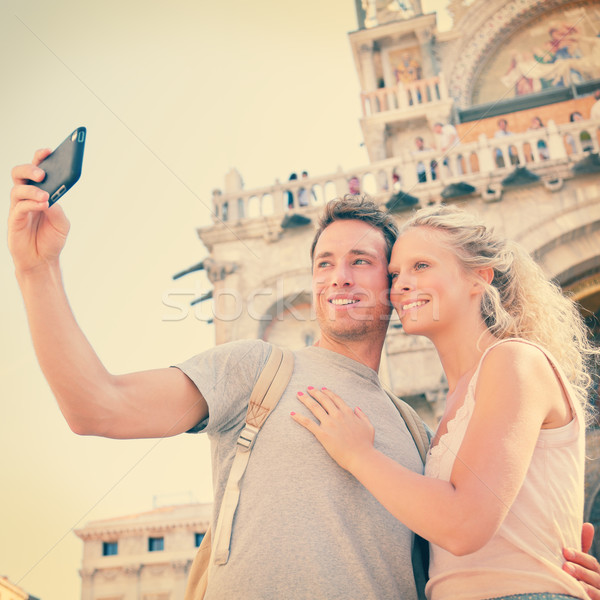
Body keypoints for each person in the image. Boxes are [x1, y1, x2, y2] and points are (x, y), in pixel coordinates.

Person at [8, 154, 600, 599]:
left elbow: (461, 538)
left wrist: (551, 570)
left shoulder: (421, 432)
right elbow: (96, 406)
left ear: (392, 292)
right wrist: (38, 270)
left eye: (363, 263)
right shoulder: (255, 367)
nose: (338, 277)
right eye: (324, 263)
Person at [293, 204, 599, 600]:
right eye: (395, 274)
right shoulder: (458, 397)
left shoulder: (513, 360)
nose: (400, 285)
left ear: (479, 278)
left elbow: (464, 524)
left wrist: (358, 455)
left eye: (421, 266)